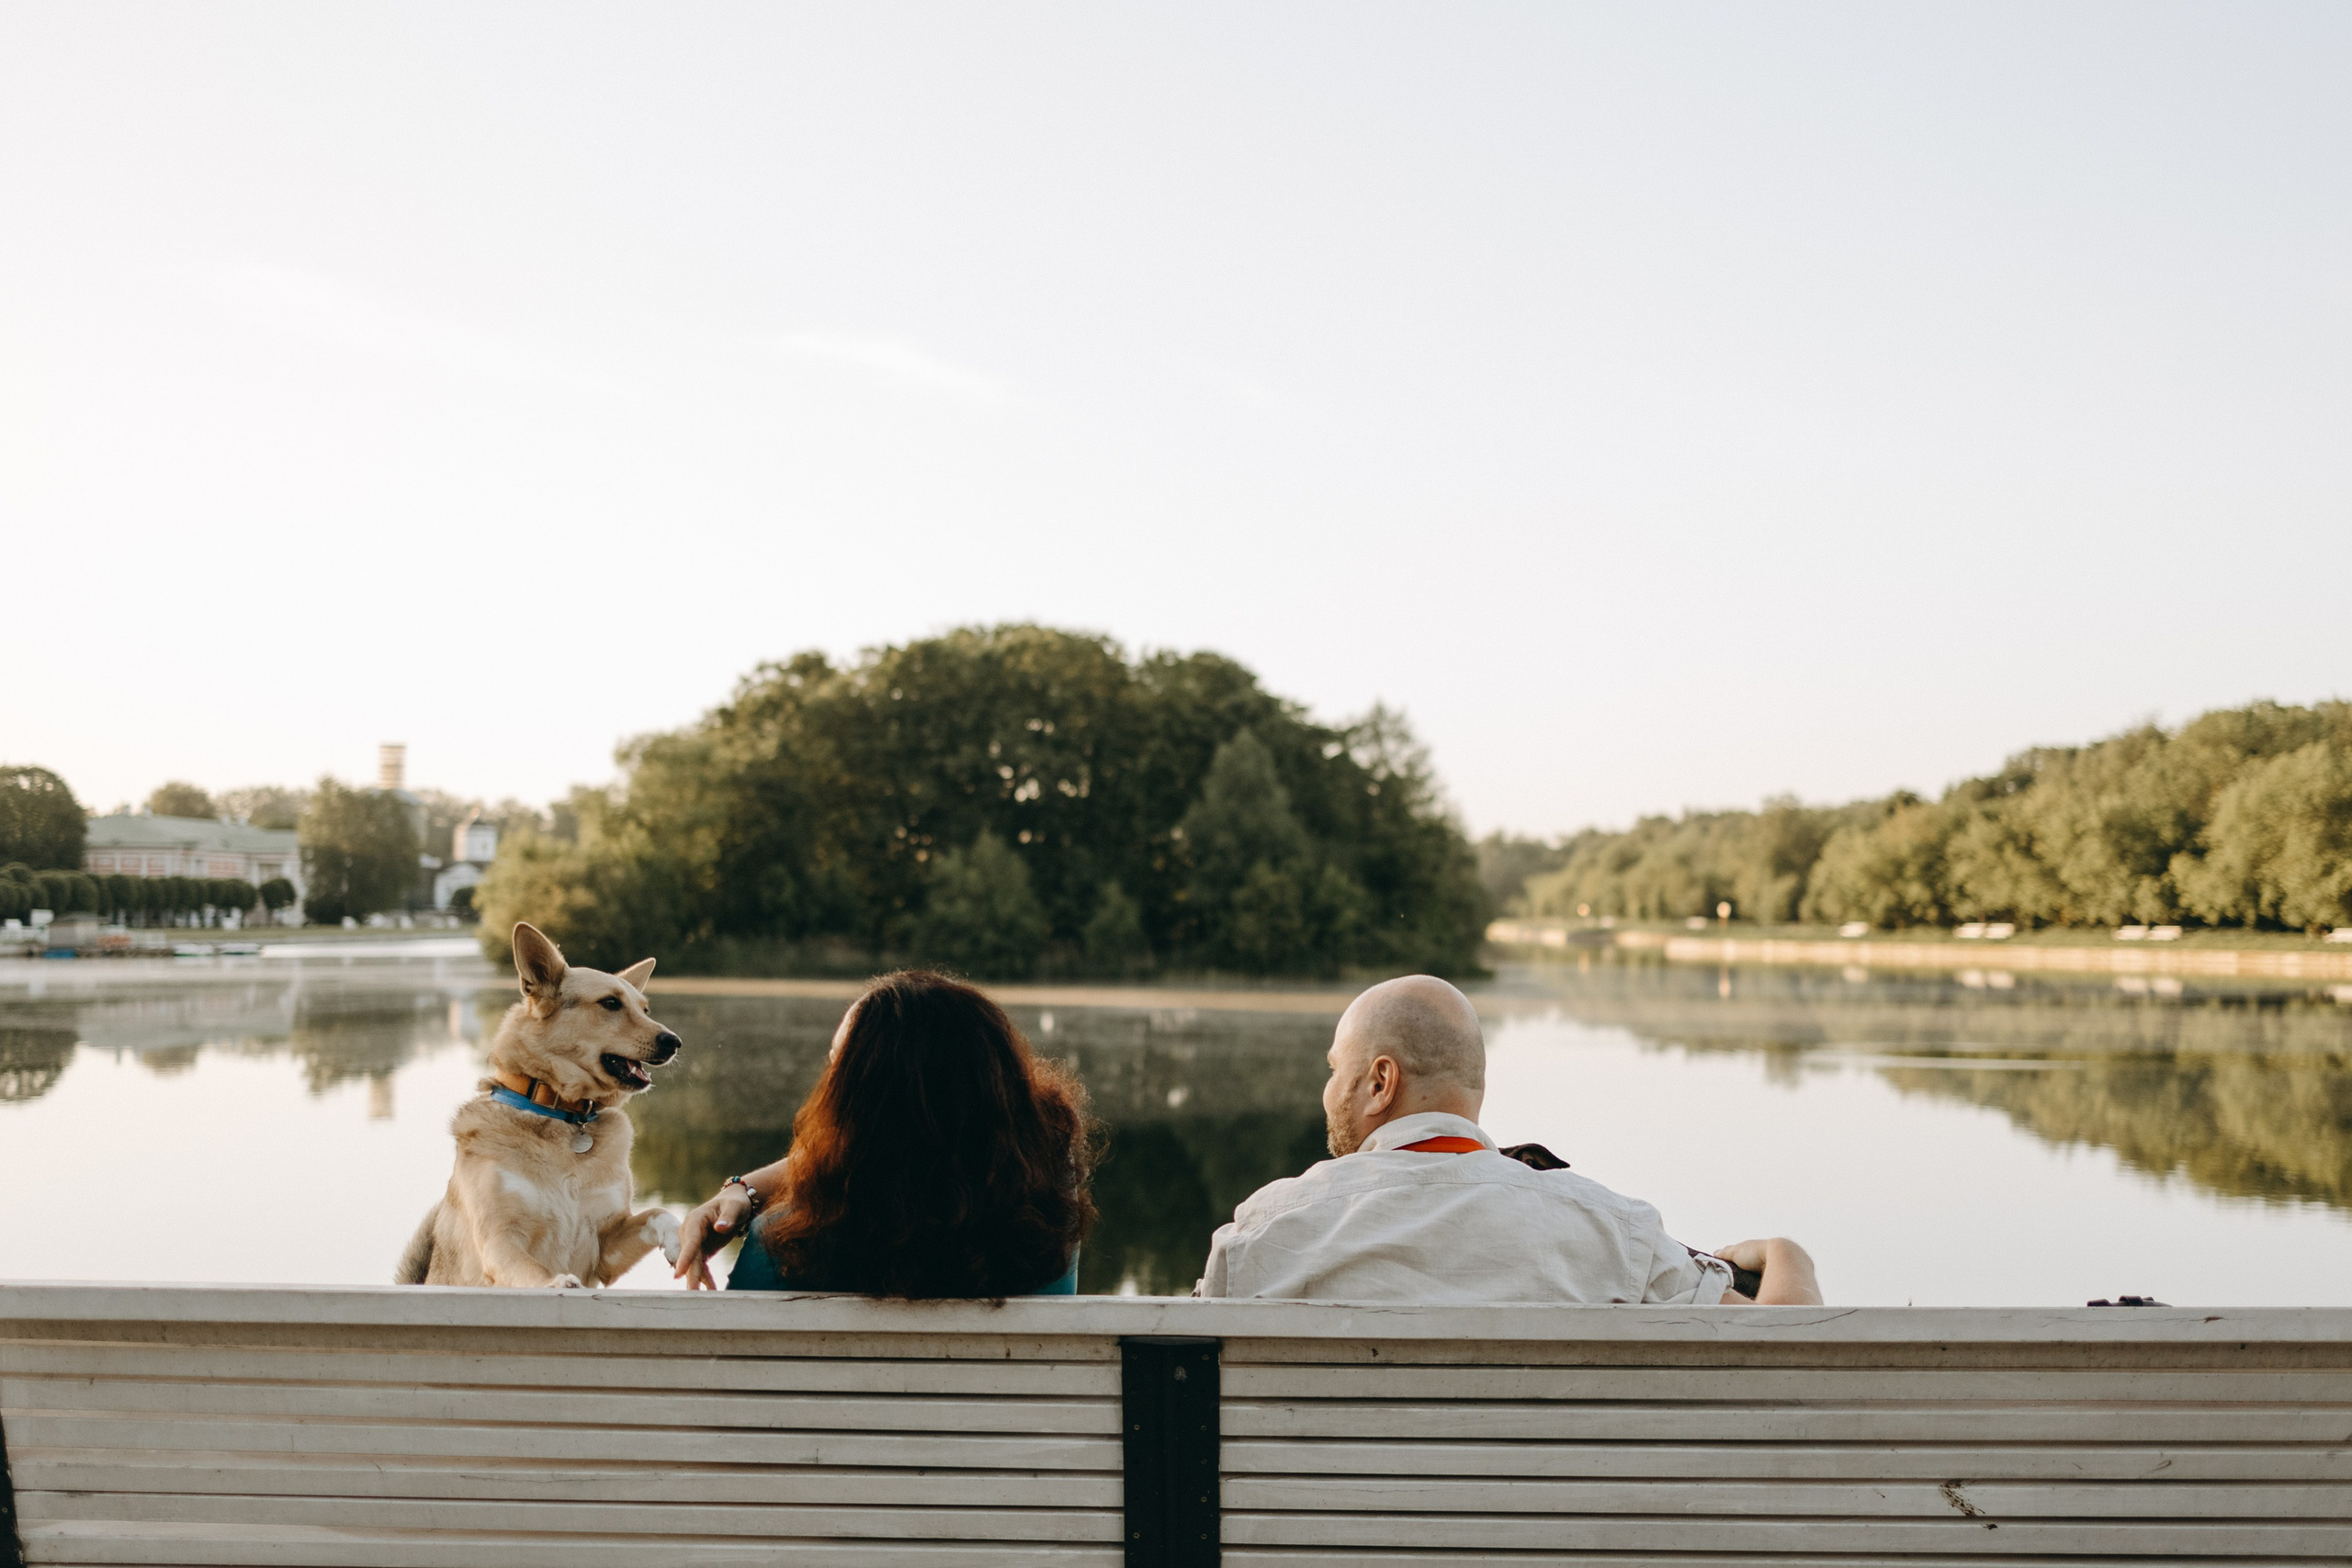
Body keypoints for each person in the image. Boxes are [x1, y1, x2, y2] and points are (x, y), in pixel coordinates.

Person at [1194, 975, 1822, 1305]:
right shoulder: (1612, 1234)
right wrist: (1788, 1252)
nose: (1328, 1091)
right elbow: (1793, 1346)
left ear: (1381, 1081)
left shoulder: (1266, 1231)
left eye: (1336, 1069)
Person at [674, 970, 1098, 1296]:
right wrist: (745, 1189)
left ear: (860, 1104)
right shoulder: (1046, 1213)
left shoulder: (786, 1245)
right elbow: (937, 1138)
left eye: (838, 1067)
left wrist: (744, 1194)